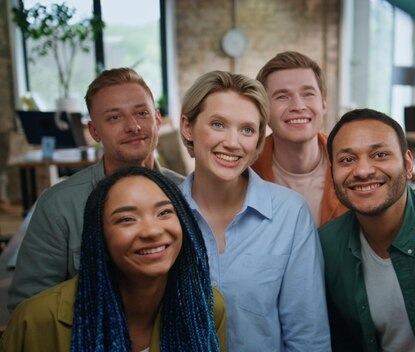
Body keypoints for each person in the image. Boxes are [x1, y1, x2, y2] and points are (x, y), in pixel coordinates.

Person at [8, 68, 185, 311]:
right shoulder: (58, 206)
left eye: (141, 113)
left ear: (156, 119)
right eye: (114, 117)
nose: (133, 126)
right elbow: (28, 308)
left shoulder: (186, 193)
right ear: (94, 131)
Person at [179, 70, 330, 351]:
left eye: (247, 129)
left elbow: (308, 335)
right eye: (218, 124)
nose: (233, 142)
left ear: (259, 139)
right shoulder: (164, 214)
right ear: (188, 127)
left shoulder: (290, 214)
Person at [0, 167, 226, 351]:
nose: (152, 231)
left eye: (164, 212)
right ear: (99, 237)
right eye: (127, 219)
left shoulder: (207, 306)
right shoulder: (37, 321)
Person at [319, 108, 415, 351]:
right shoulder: (325, 246)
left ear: (407, 164)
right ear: (332, 174)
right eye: (347, 160)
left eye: (380, 154)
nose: (363, 171)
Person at [252, 51, 347, 227]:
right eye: (282, 96)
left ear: (323, 104)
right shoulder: (244, 173)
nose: (298, 106)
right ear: (263, 110)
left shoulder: (353, 168)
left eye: (308, 94)